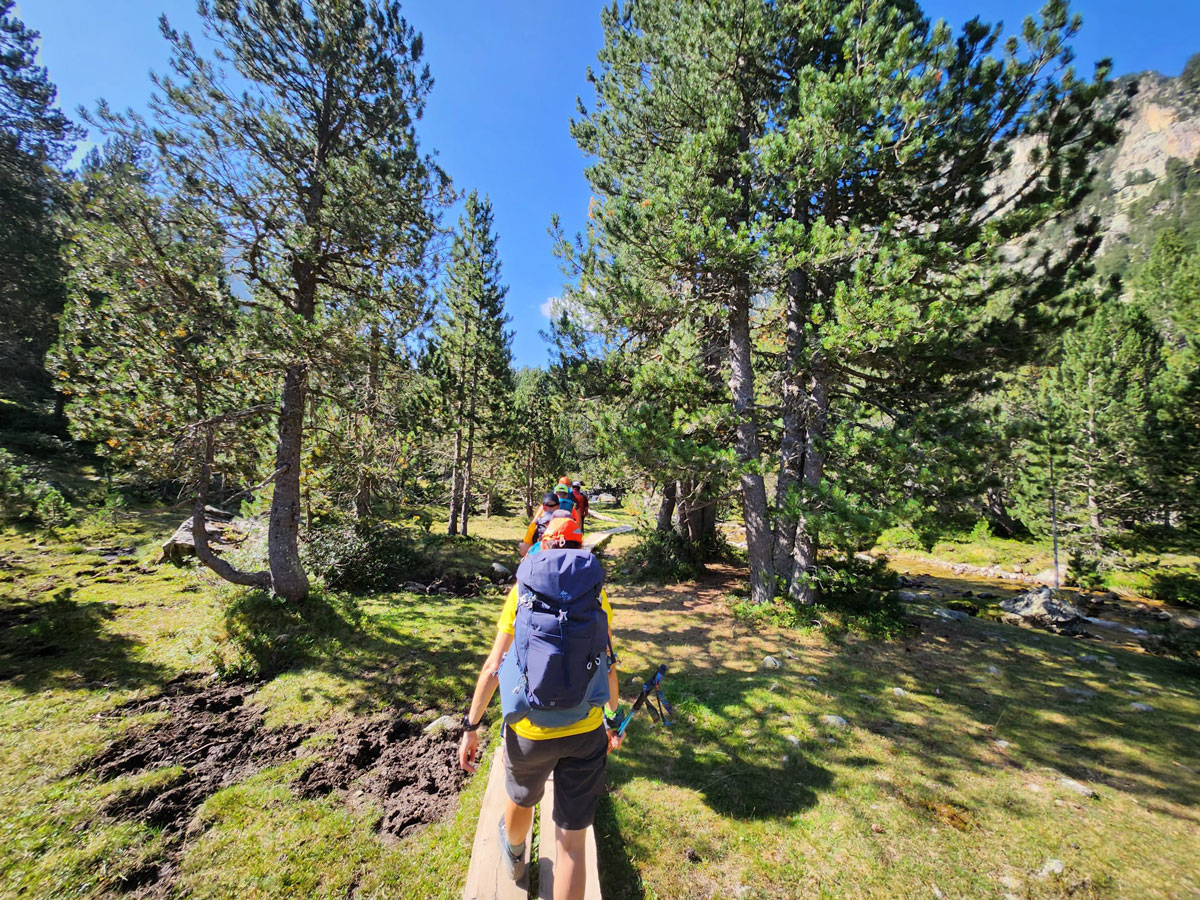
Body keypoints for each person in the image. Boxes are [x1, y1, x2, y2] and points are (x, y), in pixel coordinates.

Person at [458, 516, 623, 900]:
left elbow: (493, 666)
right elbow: (608, 662)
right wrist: (611, 719)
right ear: (579, 546)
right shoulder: (596, 596)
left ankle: (515, 854)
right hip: (585, 729)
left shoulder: (523, 592)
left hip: (530, 729)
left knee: (519, 798)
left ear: (544, 545)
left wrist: (472, 725)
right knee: (572, 846)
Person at [518, 491, 561, 558]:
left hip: (539, 560)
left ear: (543, 507)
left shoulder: (535, 525)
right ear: (558, 506)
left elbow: (524, 551)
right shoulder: (566, 523)